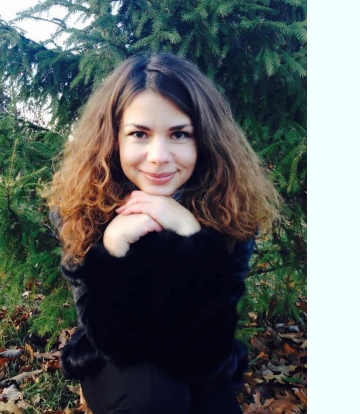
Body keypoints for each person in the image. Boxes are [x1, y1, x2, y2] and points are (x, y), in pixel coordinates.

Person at [46, 53, 279, 414]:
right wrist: (113, 249)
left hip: (198, 348)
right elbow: (112, 340)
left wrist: (192, 237)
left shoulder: (228, 207)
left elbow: (209, 346)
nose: (158, 156)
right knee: (153, 398)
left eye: (179, 134)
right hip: (110, 356)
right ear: (114, 138)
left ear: (204, 139)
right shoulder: (82, 208)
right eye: (139, 134)